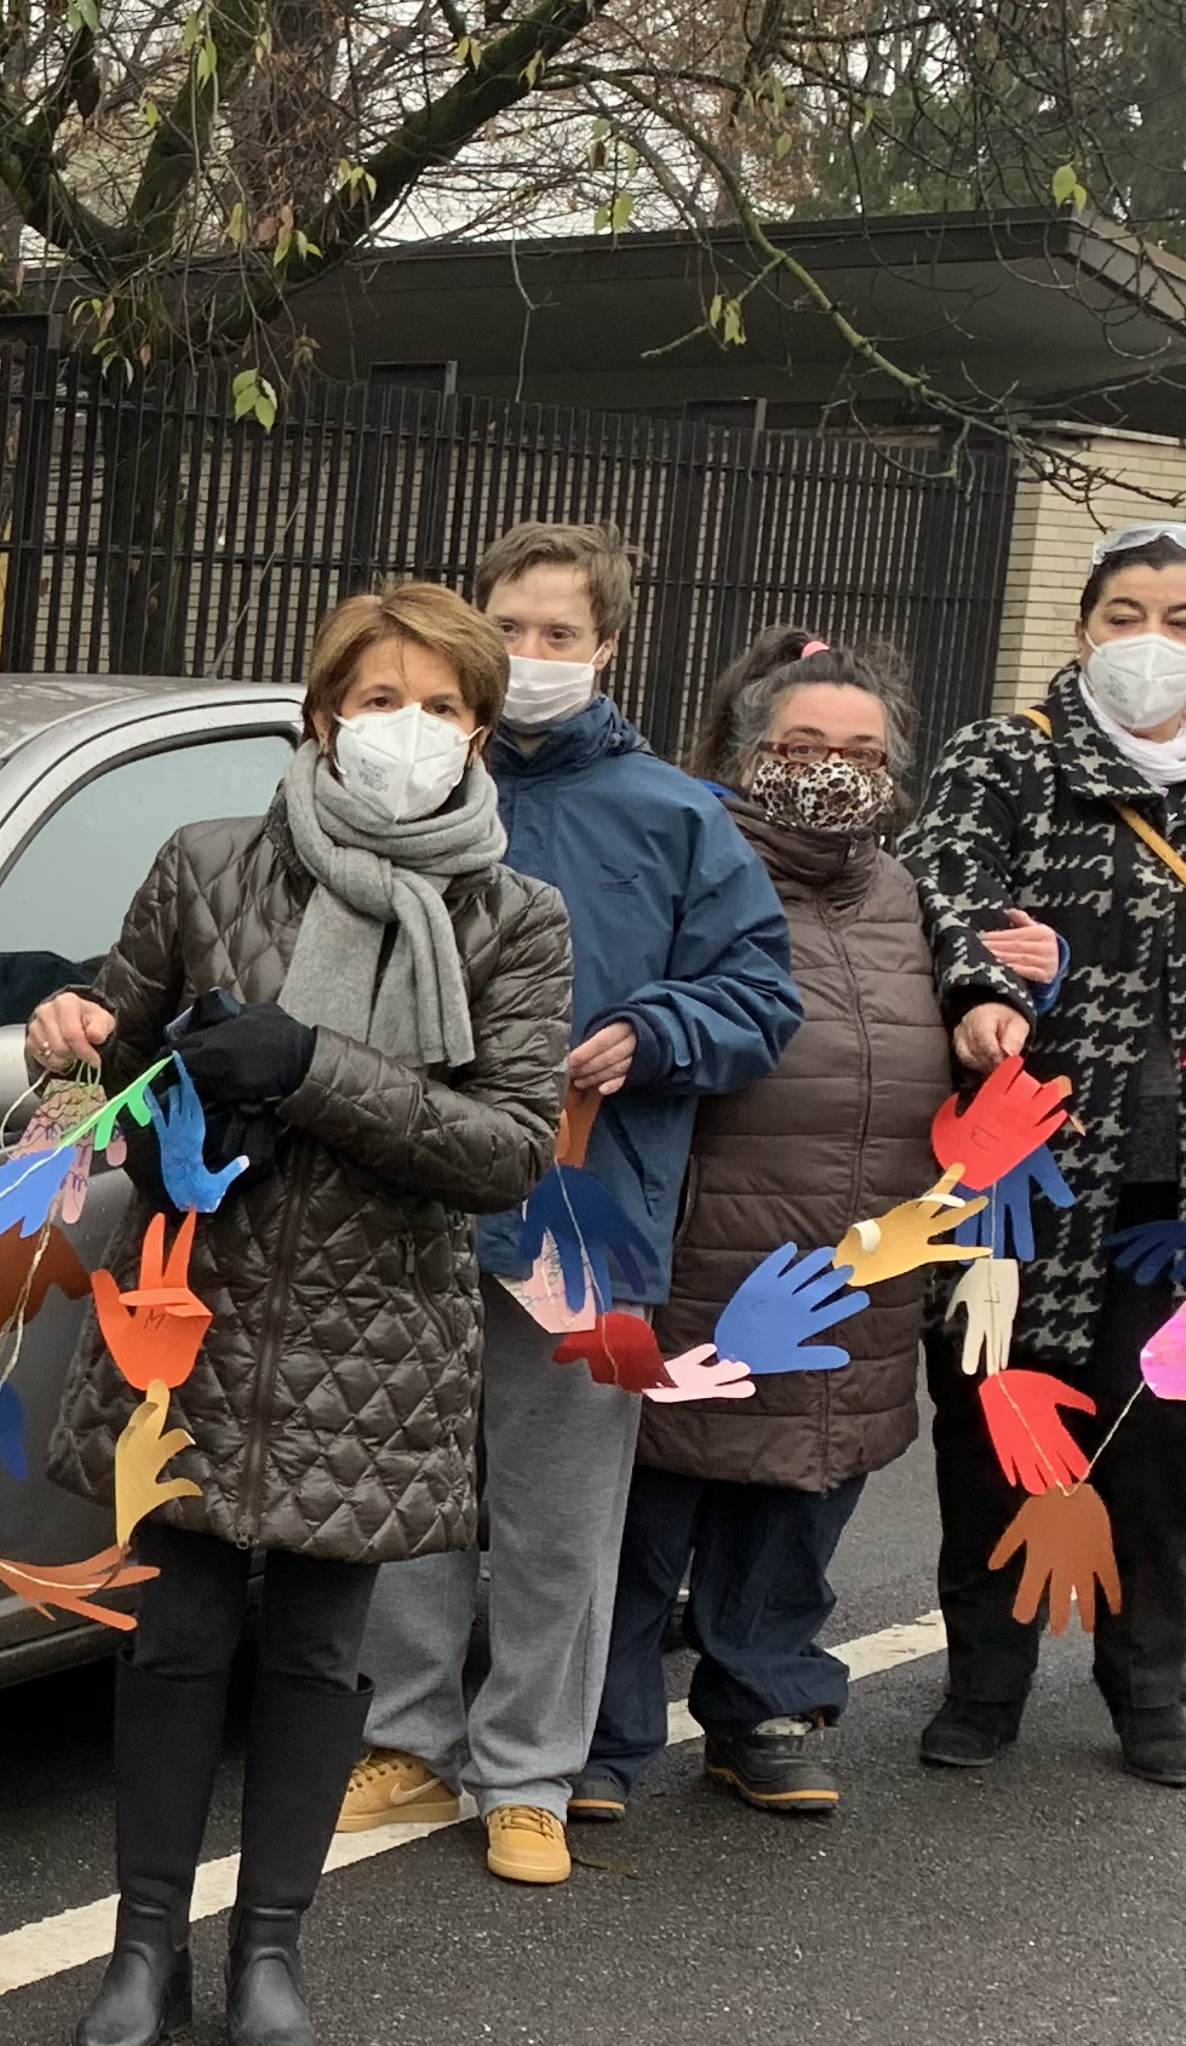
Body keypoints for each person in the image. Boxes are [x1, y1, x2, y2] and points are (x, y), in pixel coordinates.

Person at [26, 583, 572, 2046]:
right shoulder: (205, 865)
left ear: (480, 733)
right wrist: (59, 1047)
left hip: (379, 1335)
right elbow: (101, 1073)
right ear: (321, 713)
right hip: (187, 1322)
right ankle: (145, 1947)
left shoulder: (513, 918)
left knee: (321, 1654)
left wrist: (313, 1066)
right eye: (382, 700)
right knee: (176, 1635)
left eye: (447, 708)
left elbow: (511, 1148)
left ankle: (269, 1951)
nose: (413, 732)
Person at [340, 523, 800, 1884]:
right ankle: (409, 1741)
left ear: (610, 649)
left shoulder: (676, 816)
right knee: (409, 1497)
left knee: (555, 1512)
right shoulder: (402, 787)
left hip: (582, 1212)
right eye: (513, 628)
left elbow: (760, 997)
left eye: (561, 635)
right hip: (408, 1197)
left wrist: (653, 1032)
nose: (533, 657)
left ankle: (529, 1772)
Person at [585, 634, 1052, 1816]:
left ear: (894, 773)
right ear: (747, 755)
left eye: (861, 751)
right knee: (654, 1494)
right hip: (700, 1241)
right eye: (803, 747)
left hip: (862, 1254)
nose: (831, 770)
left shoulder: (911, 896)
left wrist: (1007, 999)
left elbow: (985, 995)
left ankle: (765, 1706)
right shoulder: (688, 865)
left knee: (805, 1483)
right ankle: (602, 1728)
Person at [898, 521, 1186, 1780]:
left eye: (1179, 621)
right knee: (994, 1429)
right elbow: (940, 880)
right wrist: (975, 990)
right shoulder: (1005, 757)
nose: (1150, 644)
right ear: (1082, 626)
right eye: (1125, 614)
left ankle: (1155, 1690)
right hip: (1020, 1171)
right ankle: (985, 1681)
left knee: (1159, 1442)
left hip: (1166, 1192)